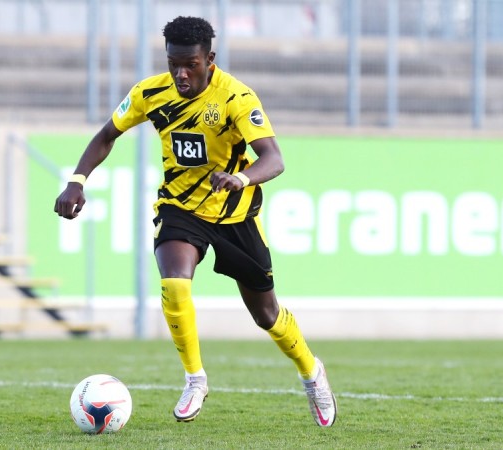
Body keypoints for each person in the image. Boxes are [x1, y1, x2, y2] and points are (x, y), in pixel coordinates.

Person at [54, 16, 337, 427]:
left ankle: (312, 373)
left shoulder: (236, 96)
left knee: (266, 314)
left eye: (191, 64)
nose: (181, 74)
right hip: (180, 208)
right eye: (174, 64)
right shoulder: (149, 93)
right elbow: (106, 136)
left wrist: (241, 178)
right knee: (174, 282)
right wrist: (77, 181)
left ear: (210, 59)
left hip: (234, 213)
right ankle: (194, 379)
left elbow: (274, 159)